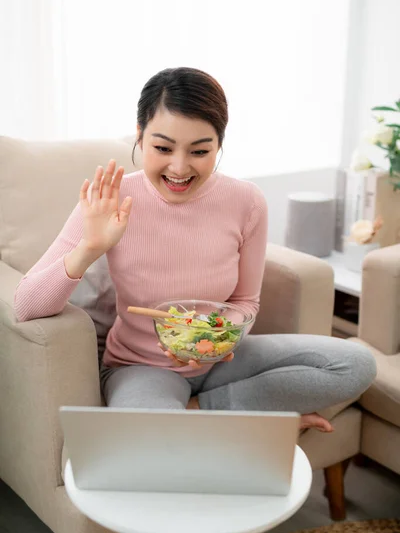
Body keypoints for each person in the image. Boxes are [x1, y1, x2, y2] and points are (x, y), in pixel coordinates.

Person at [14, 67, 376, 432]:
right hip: (141, 368)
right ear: (140, 136)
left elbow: (245, 303)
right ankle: (243, 415)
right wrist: (90, 247)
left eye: (200, 151)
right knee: (153, 437)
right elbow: (26, 305)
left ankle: (198, 410)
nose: (179, 167)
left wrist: (215, 340)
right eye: (162, 148)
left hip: (221, 361)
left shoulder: (246, 201)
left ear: (219, 144)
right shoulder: (112, 198)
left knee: (355, 365)